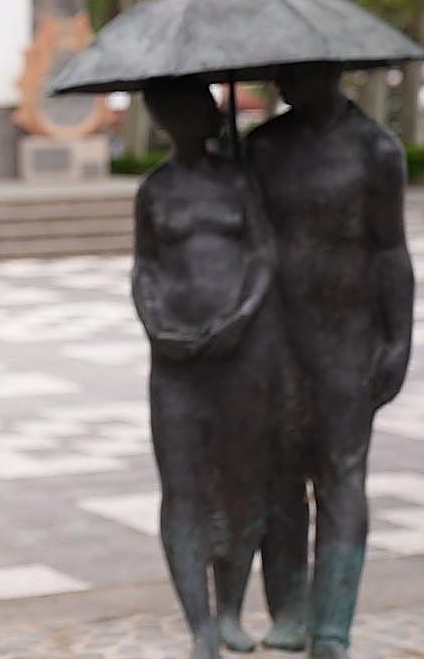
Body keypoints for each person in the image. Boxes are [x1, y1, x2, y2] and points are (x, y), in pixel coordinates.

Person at [248, 63, 414, 659]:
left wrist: (399, 339)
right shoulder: (262, 146)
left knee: (342, 477)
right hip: (274, 336)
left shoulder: (376, 150)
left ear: (327, 74)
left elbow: (391, 249)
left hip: (348, 337)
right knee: (278, 479)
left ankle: (334, 622)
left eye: (290, 76)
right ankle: (289, 610)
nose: (280, 87)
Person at [132, 77, 289, 659]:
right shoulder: (154, 191)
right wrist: (156, 325)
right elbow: (144, 268)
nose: (186, 123)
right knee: (182, 489)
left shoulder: (240, 181)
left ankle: (230, 609)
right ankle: (198, 622)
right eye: (172, 114)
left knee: (243, 484)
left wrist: (243, 317)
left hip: (241, 353)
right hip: (175, 359)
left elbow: (263, 254)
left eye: (194, 111)